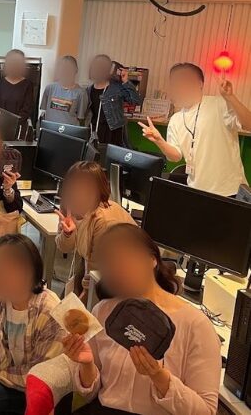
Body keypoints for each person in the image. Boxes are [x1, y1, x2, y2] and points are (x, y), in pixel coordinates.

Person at [64, 223, 220, 415]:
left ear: (152, 259)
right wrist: (87, 364)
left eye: (126, 258)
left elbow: (206, 411)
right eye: (109, 264)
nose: (119, 270)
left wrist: (159, 376)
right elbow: (90, 393)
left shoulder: (195, 325)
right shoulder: (103, 312)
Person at [0, 234, 66, 415]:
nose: (3, 277)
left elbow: (39, 377)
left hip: (45, 393)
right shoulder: (0, 301)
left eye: (13, 269)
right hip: (15, 381)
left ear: (33, 271)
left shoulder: (50, 310)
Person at [139, 63, 250, 197]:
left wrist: (231, 97)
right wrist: (159, 140)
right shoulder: (176, 119)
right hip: (196, 188)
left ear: (199, 84)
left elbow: (248, 125)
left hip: (229, 190)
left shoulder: (218, 104)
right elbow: (175, 157)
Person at [55, 161, 135, 302]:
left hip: (122, 276)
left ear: (99, 190)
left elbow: (96, 276)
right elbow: (64, 247)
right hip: (92, 266)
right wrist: (68, 234)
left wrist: (79, 305)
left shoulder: (104, 221)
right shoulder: (70, 209)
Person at [85, 54, 142, 146]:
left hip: (113, 133)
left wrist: (126, 81)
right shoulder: (88, 90)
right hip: (94, 131)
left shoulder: (116, 88)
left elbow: (135, 101)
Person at [40, 55, 89, 126]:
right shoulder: (50, 88)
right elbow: (44, 111)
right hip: (50, 129)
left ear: (76, 70)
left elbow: (81, 118)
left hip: (69, 130)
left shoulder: (81, 93)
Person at [0, 49, 34, 129]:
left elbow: (27, 109)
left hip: (20, 127)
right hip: (2, 126)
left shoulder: (28, 85)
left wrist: (14, 123)